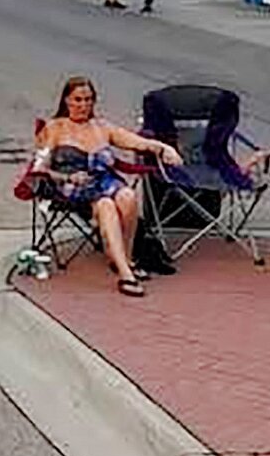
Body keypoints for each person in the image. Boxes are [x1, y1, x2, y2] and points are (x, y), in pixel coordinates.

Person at [33, 75, 182, 297]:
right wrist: (67, 177)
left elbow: (137, 142)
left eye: (88, 99)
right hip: (72, 187)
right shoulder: (54, 128)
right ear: (66, 100)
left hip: (104, 181)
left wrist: (164, 149)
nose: (83, 105)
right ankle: (125, 273)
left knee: (128, 196)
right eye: (77, 99)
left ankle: (126, 257)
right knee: (106, 205)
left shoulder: (102, 127)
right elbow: (39, 169)